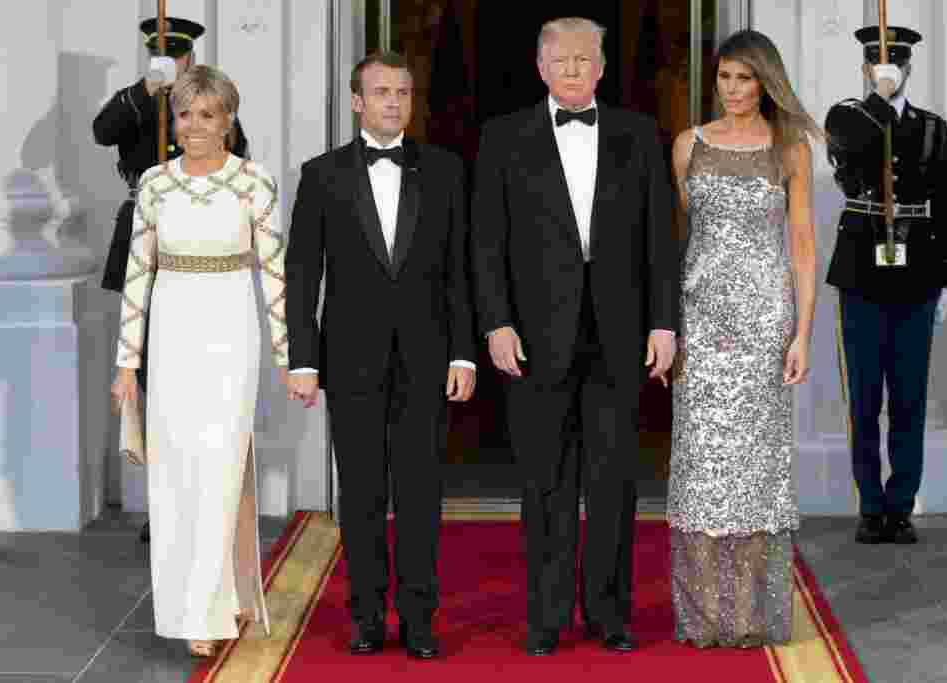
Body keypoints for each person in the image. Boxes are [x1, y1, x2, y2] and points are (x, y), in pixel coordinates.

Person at [472, 17, 679, 656]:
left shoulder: (639, 135)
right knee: (544, 482)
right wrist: (496, 322)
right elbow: (487, 243)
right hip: (535, 337)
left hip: (620, 336)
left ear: (601, 67)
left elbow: (660, 241)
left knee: (614, 481)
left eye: (583, 59)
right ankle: (546, 616)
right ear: (540, 67)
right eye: (559, 60)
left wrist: (664, 322)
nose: (570, 69)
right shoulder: (503, 137)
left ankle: (610, 614)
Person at [284, 52, 476, 660]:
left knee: (420, 493)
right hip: (349, 360)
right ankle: (367, 616)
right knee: (362, 494)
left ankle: (419, 619)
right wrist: (304, 360)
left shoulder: (446, 171)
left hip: (428, 356)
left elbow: (460, 274)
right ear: (356, 101)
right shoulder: (321, 175)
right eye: (381, 92)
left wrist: (464, 354)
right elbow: (301, 273)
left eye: (403, 91)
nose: (394, 101)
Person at [109, 65, 287, 658]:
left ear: (229, 120)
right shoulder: (155, 185)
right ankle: (190, 609)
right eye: (185, 114)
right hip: (173, 336)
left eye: (207, 115)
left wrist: (290, 358)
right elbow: (138, 276)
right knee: (174, 477)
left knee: (220, 468)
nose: (195, 126)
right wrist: (125, 365)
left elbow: (276, 276)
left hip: (232, 333)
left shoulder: (255, 184)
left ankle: (214, 603)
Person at [668, 29, 821, 647]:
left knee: (756, 470)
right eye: (725, 77)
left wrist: (803, 334)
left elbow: (804, 248)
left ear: (767, 82)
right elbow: (680, 243)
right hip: (701, 325)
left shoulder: (790, 149)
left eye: (745, 78)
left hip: (764, 325)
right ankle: (703, 618)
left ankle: (755, 616)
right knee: (702, 467)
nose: (733, 89)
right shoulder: (688, 146)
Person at [93, 16, 248, 544]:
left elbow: (238, 161)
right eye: (161, 57)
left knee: (204, 384)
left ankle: (209, 501)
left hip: (199, 249)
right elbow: (101, 131)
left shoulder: (210, 108)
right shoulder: (137, 102)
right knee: (157, 384)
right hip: (147, 243)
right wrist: (146, 91)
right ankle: (164, 505)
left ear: (190, 58)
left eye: (177, 58)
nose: (171, 66)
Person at [825, 25, 947, 545]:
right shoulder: (848, 116)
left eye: (897, 65)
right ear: (865, 70)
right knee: (863, 398)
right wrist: (879, 99)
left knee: (909, 398)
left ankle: (901, 507)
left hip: (918, 273)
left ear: (909, 68)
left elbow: (946, 204)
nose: (888, 71)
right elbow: (851, 145)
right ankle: (870, 506)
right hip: (861, 274)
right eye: (878, 65)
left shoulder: (932, 128)